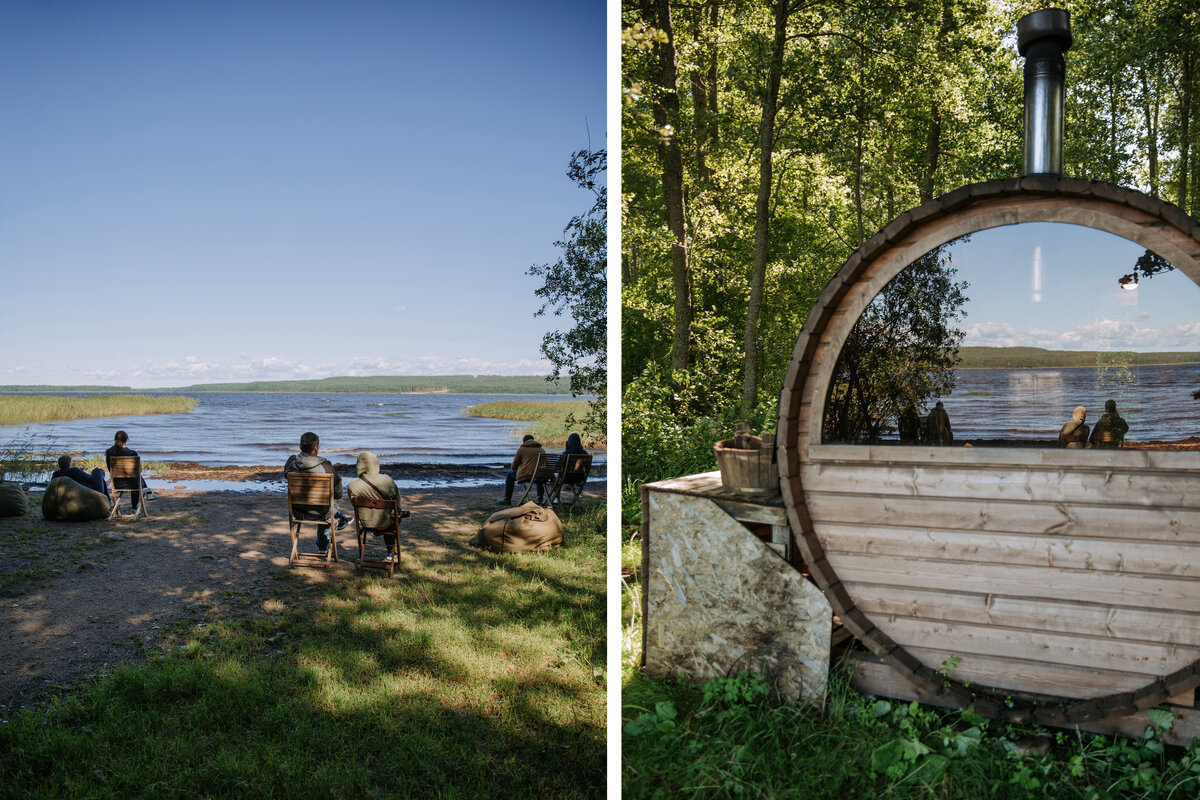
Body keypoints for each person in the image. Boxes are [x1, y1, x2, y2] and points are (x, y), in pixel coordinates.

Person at [283, 431, 349, 555]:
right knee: (329, 501)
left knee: (326, 501)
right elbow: (338, 493)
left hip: (298, 512)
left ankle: (339, 520)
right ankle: (325, 544)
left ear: (300, 446)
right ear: (315, 447)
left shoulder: (291, 462)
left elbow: (286, 475)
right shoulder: (326, 466)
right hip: (321, 512)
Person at [347, 451, 403, 561]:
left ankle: (376, 531)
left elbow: (354, 505)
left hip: (367, 523)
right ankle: (390, 551)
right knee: (393, 517)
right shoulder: (387, 480)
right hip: (387, 523)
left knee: (382, 516)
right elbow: (397, 500)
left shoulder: (352, 486)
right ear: (375, 463)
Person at [105, 430, 158, 510]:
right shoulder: (132, 453)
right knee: (137, 477)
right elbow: (138, 470)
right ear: (126, 440)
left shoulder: (109, 453)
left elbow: (109, 468)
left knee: (137, 478)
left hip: (116, 484)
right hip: (133, 484)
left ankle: (149, 493)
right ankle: (136, 505)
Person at [497, 434, 546, 505]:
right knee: (538, 473)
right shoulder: (542, 450)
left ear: (524, 442)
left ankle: (507, 499)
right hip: (541, 476)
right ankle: (540, 499)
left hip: (527, 475)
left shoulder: (521, 450)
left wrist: (522, 467)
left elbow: (514, 466)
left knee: (509, 474)